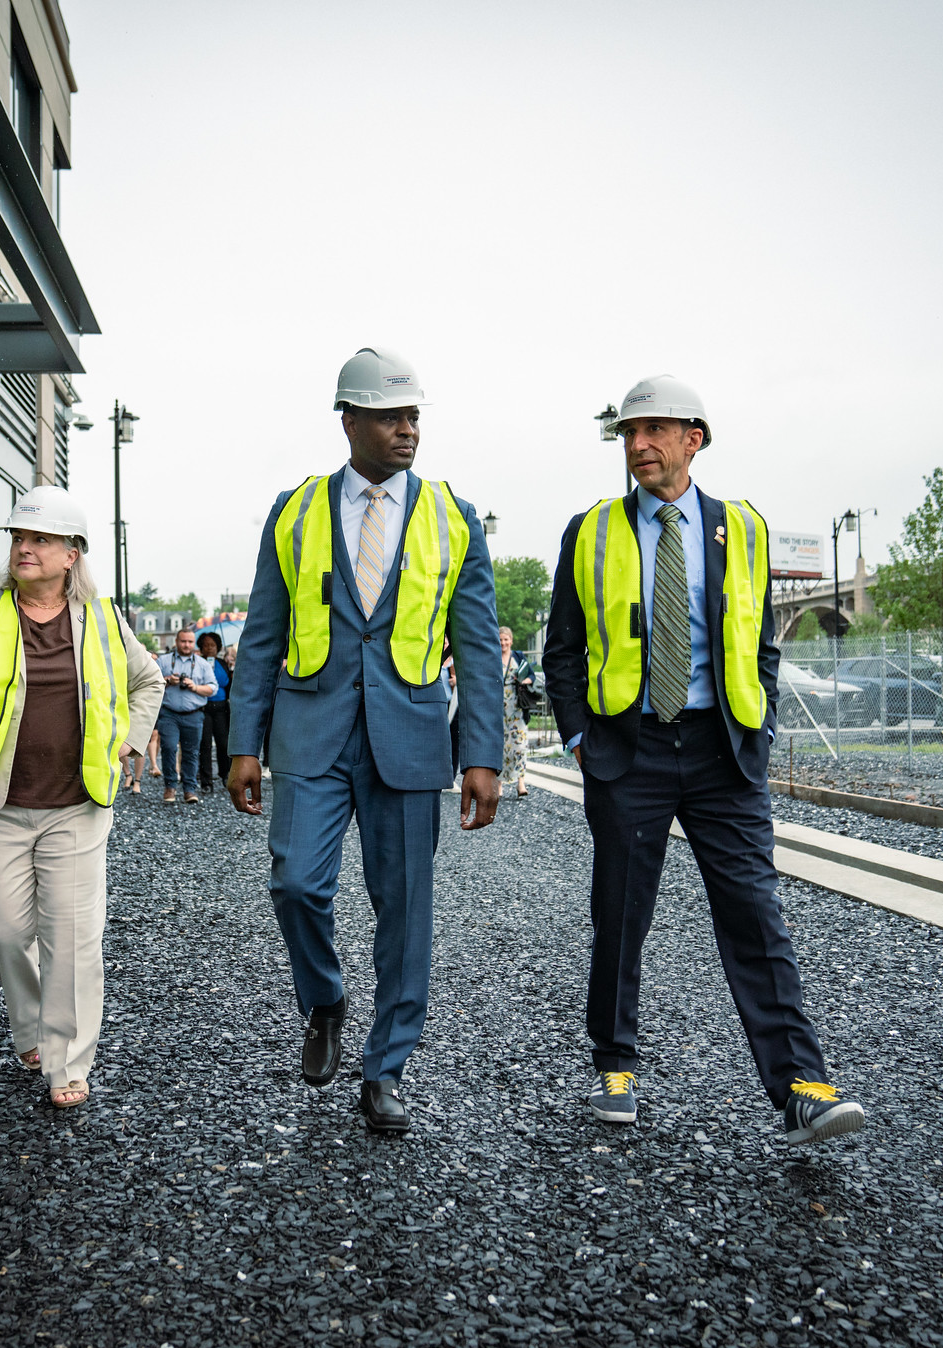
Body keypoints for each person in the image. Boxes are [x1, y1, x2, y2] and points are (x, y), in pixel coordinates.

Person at [542, 374, 864, 1144]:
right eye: (628, 433)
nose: (639, 445)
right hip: (630, 751)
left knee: (756, 912)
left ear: (695, 438)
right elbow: (562, 648)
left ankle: (801, 1087)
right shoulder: (590, 531)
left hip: (724, 752)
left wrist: (762, 725)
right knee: (621, 916)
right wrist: (580, 737)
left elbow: (760, 644)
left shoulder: (742, 530)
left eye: (655, 431)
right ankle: (615, 1064)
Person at [228, 346, 502, 1135]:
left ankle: (386, 1069)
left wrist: (481, 755)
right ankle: (325, 1002)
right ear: (348, 420)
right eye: (389, 416)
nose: (406, 430)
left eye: (414, 416)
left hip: (411, 741)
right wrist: (245, 741)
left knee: (404, 912)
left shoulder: (453, 517)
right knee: (296, 886)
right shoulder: (295, 510)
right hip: (310, 734)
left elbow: (478, 648)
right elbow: (261, 636)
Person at [0, 487, 164, 1111]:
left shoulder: (103, 621)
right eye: (18, 539)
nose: (24, 549)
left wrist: (127, 746)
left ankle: (67, 1060)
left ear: (72, 554)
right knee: (1, 928)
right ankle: (29, 1026)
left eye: (40, 540)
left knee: (73, 938)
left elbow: (147, 680)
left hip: (78, 807)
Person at [154, 628, 216, 803]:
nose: (186, 645)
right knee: (169, 748)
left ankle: (189, 789)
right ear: (176, 641)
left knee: (191, 753)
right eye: (183, 641)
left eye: (190, 642)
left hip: (194, 715)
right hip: (169, 714)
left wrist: (194, 686)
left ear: (193, 643)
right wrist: (166, 680)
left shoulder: (202, 664)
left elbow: (213, 688)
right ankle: (170, 787)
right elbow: (150, 683)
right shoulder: (163, 661)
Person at [500, 626, 536, 799]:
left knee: (520, 745)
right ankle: (499, 784)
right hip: (499, 708)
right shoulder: (493, 657)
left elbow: (531, 675)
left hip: (517, 706)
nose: (503, 643)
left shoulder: (518, 656)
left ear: (511, 640)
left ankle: (520, 782)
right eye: (500, 640)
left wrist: (523, 681)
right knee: (500, 745)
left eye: (506, 639)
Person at [196, 631, 232, 794]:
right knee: (205, 744)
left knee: (223, 743)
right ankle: (206, 780)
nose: (209, 648)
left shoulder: (223, 663)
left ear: (218, 647)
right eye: (206, 645)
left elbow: (227, 683)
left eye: (213, 645)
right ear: (201, 648)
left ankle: (225, 774)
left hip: (221, 708)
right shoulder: (197, 663)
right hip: (204, 707)